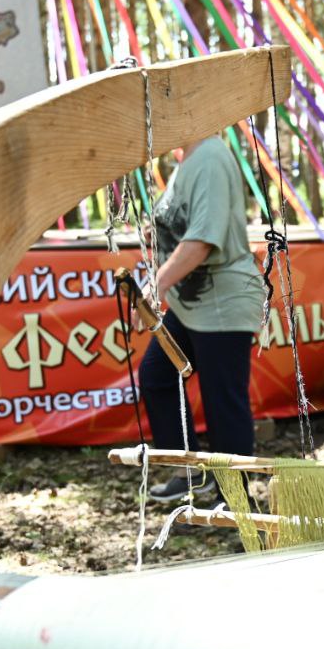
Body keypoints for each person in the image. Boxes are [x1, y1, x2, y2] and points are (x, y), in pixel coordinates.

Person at [135, 136, 265, 504]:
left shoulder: (210, 155)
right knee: (158, 377)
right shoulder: (186, 158)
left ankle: (237, 499)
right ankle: (190, 473)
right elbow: (187, 225)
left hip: (222, 302)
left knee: (223, 400)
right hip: (192, 303)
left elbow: (203, 240)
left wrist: (155, 285)